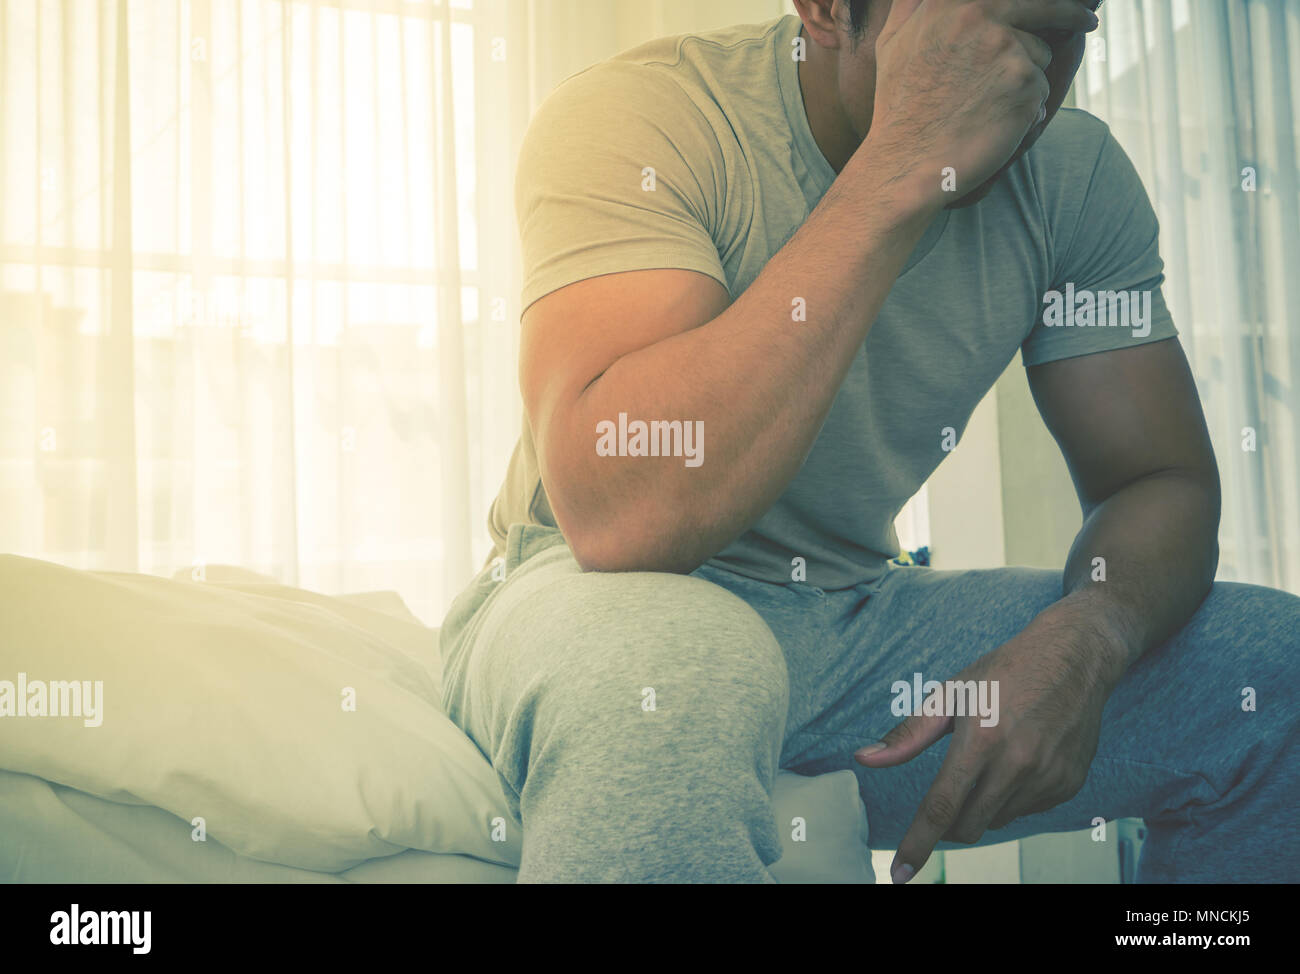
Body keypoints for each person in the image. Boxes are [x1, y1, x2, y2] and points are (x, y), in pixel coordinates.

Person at [439, 0, 1300, 883]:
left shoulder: (1075, 177)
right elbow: (620, 518)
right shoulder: (646, 114)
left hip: (849, 618)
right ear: (824, 12)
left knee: (1273, 672)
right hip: (584, 590)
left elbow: (1160, 480)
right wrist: (903, 165)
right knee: (679, 669)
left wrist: (1092, 633)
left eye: (1059, 28)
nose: (1023, 78)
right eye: (986, 27)